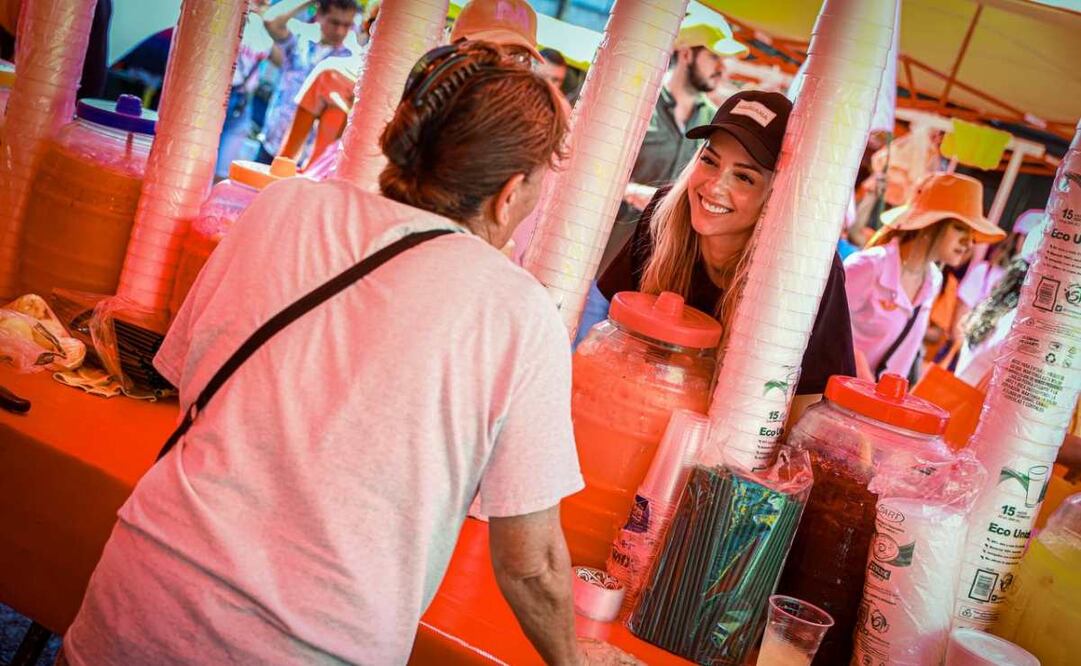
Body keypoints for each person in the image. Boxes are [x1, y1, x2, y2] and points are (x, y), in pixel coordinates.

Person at [63, 42, 584, 665]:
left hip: (140, 599)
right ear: (509, 192)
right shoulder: (518, 312)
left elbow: (188, 379)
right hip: (311, 646)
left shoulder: (281, 206)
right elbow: (531, 566)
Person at [596, 90, 856, 422]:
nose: (715, 187)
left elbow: (811, 406)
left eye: (744, 177)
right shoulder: (662, 214)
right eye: (710, 160)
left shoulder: (808, 266)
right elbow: (610, 332)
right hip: (634, 418)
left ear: (775, 195)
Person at [600, 21, 748, 272]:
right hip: (606, 257)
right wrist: (629, 190)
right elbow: (590, 170)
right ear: (687, 53)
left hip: (662, 269)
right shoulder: (638, 102)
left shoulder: (715, 122)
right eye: (714, 57)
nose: (722, 69)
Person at [844, 172, 1005, 382]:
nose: (969, 243)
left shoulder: (934, 280)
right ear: (930, 224)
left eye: (972, 234)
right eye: (959, 228)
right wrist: (859, 367)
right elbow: (822, 329)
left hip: (877, 406)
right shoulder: (869, 265)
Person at [257, 0, 360, 164]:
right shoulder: (301, 37)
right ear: (319, 14)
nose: (340, 31)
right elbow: (271, 20)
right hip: (271, 143)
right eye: (334, 22)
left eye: (347, 25)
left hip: (304, 159)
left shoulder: (351, 58)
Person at [215, 0, 276, 178]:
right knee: (219, 165)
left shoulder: (262, 30)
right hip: (226, 95)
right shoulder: (246, 23)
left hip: (241, 99)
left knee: (223, 166)